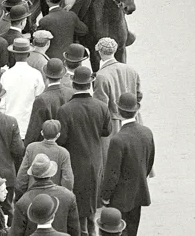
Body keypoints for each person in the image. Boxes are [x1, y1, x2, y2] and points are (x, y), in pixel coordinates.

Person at [58, 65, 113, 236]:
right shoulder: (101, 106)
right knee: (91, 198)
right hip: (95, 159)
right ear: (90, 85)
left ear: (73, 85)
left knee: (77, 199)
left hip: (74, 160)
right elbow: (107, 131)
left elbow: (62, 139)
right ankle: (91, 229)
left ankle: (83, 230)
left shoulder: (65, 110)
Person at [100, 92, 154, 236]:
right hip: (139, 191)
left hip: (119, 198)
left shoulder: (118, 139)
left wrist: (105, 196)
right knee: (133, 230)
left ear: (118, 110)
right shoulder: (147, 132)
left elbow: (112, 174)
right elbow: (149, 162)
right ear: (136, 110)